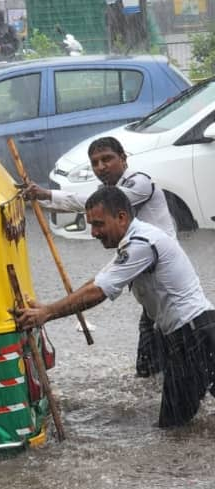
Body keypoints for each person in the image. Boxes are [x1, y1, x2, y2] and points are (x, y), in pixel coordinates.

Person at [15, 187, 215, 428]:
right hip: (194, 332)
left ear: (121, 217)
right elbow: (97, 281)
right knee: (180, 423)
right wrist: (47, 307)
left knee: (172, 429)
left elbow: (98, 292)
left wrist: (47, 314)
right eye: (90, 224)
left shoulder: (142, 244)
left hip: (193, 335)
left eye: (99, 224)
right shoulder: (131, 241)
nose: (94, 232)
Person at [24, 136, 174, 377]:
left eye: (107, 159)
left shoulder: (140, 183)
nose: (101, 167)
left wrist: (46, 194)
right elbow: (99, 281)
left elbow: (99, 289)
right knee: (147, 374)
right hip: (149, 293)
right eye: (95, 163)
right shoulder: (107, 195)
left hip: (166, 285)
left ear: (123, 158)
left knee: (182, 378)